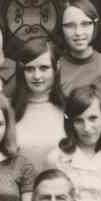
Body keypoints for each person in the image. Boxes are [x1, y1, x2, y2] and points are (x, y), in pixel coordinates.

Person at [12, 37, 66, 172]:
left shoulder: (69, 109)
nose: (37, 76)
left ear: (56, 67)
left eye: (44, 68)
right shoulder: (8, 110)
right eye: (29, 69)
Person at [57, 0, 101, 95]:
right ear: (61, 28)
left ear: (95, 25)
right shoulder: (56, 67)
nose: (78, 32)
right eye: (70, 25)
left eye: (85, 24)